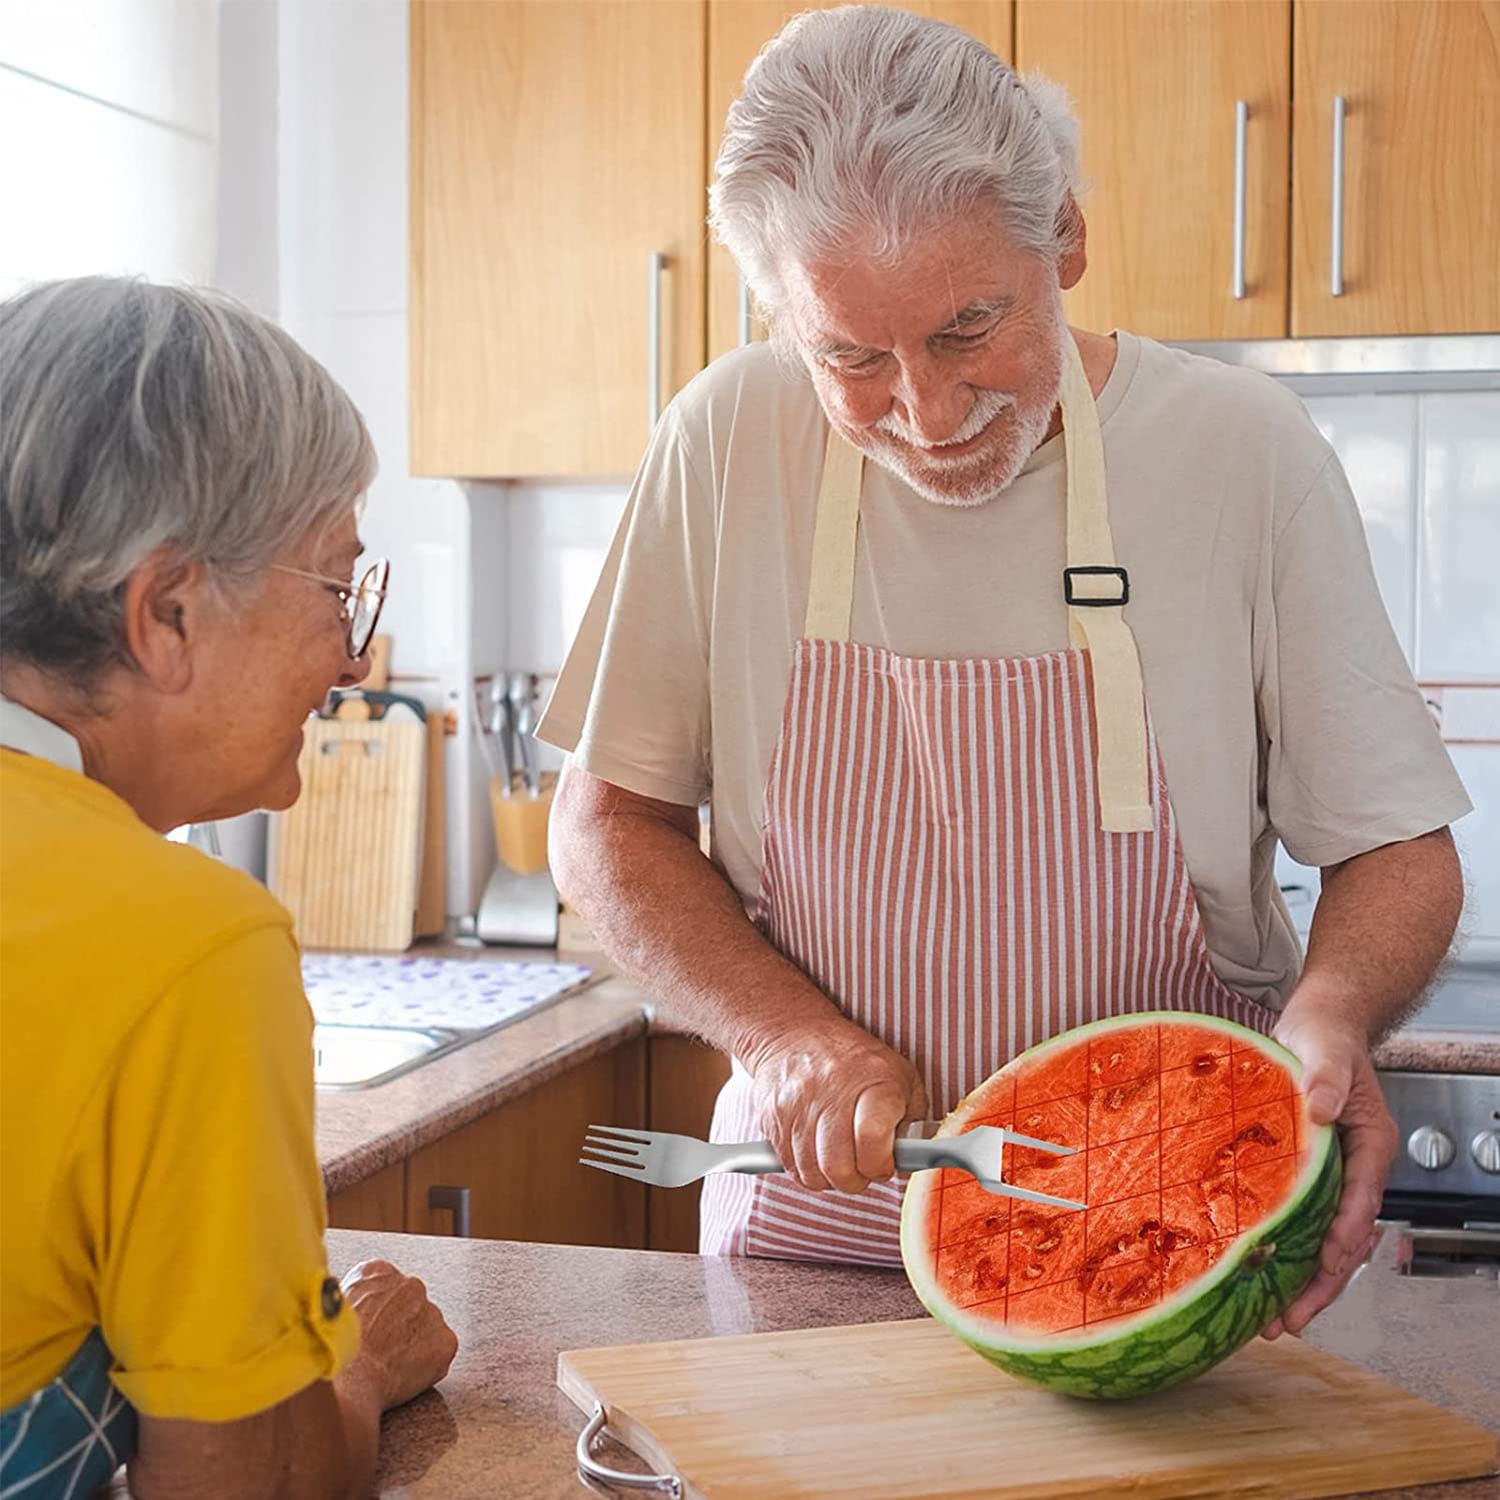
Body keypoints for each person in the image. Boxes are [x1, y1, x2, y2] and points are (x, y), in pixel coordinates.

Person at [538, 6, 1468, 1339]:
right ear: (783, 316)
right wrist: (781, 1037)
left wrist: (1334, 1020)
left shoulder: (1243, 453)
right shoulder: (723, 440)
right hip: (813, 1241)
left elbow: (1396, 847)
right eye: (852, 356)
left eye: (970, 327)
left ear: (1065, 241)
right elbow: (606, 824)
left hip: (1167, 1243)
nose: (926, 412)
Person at [0, 277, 457, 1498]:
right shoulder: (185, 945)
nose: (354, 660)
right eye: (337, 589)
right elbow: (251, 1485)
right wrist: (359, 1368)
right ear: (167, 612)